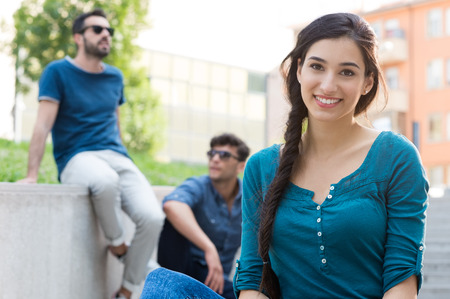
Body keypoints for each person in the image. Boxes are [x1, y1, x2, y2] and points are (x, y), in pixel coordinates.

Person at [234, 12, 429, 299]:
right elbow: (253, 278)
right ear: (299, 70)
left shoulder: (396, 157)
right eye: (317, 66)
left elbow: (402, 278)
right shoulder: (261, 167)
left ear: (368, 82)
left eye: (347, 72)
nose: (328, 85)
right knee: (165, 286)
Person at [16, 8, 164, 299]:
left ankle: (127, 290)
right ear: (78, 38)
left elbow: (115, 122)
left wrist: (123, 154)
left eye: (109, 30)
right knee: (105, 181)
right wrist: (32, 174)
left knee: (153, 217)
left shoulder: (115, 77)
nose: (106, 34)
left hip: (116, 156)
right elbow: (42, 125)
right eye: (97, 29)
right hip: (77, 157)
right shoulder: (57, 72)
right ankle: (118, 243)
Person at [157, 133, 250, 299]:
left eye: (224, 155)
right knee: (172, 223)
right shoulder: (198, 185)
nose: (215, 159)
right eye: (212, 154)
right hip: (183, 268)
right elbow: (172, 206)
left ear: (240, 167)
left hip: (214, 282)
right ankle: (172, 286)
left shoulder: (249, 198)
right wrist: (209, 248)